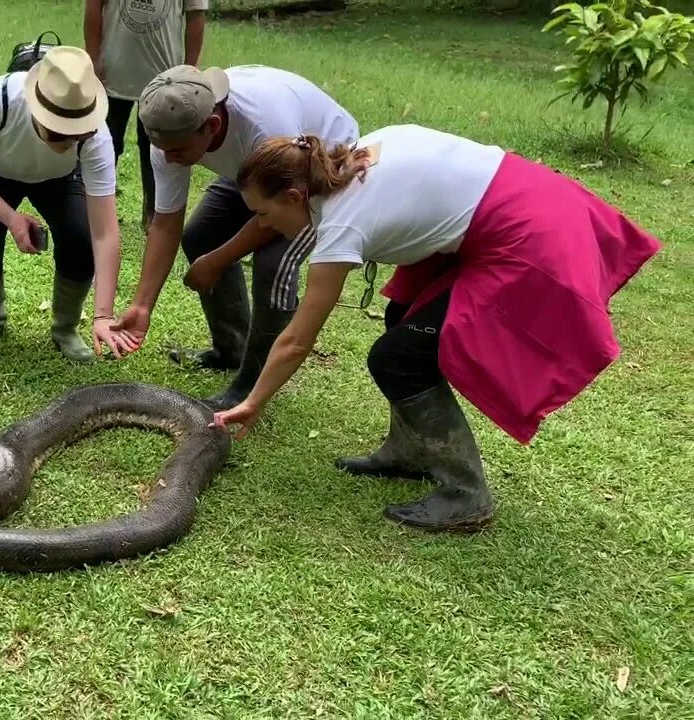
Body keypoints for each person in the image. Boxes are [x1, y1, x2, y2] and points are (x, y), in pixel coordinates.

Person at [206, 124, 662, 532]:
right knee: (401, 318)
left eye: (263, 213)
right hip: (527, 198)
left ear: (293, 196)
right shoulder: (354, 156)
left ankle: (465, 495)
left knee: (398, 359)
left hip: (532, 232)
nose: (262, 225)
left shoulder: (344, 222)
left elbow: (297, 339)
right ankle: (411, 451)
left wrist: (253, 402)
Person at [109, 64, 360, 409]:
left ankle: (251, 384)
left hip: (315, 174)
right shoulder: (170, 133)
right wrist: (142, 305)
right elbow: (166, 223)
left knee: (274, 265)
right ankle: (232, 348)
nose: (168, 159)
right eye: (161, 149)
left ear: (211, 126)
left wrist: (216, 261)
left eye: (178, 152)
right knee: (200, 236)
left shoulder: (265, 126)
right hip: (255, 169)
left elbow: (276, 215)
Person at [0, 46, 131, 361]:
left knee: (81, 239)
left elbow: (106, 233)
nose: (67, 143)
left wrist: (103, 314)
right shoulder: (2, 99)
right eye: (59, 134)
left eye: (75, 136)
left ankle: (65, 327)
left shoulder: (96, 135)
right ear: (36, 110)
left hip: (60, 180)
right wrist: (11, 219)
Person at [83, 0, 208, 231]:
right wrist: (93, 57)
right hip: (112, 74)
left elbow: (196, 16)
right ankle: (94, 206)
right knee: (104, 143)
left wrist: (190, 70)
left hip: (164, 79)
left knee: (158, 148)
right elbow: (94, 5)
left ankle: (154, 215)